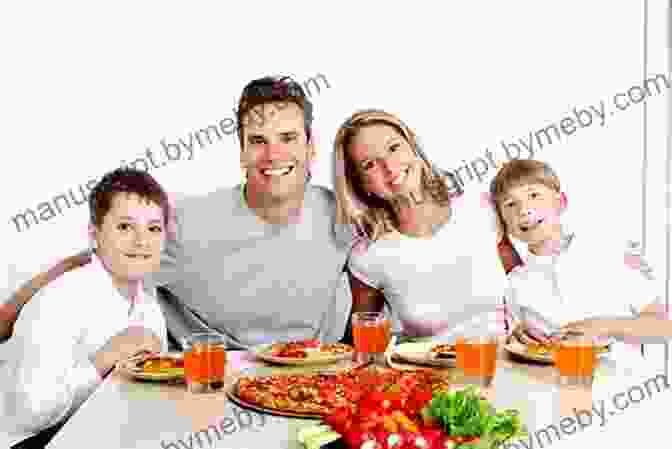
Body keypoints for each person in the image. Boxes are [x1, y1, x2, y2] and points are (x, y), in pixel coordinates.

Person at [3, 75, 357, 349]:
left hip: (313, 378)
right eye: (258, 141)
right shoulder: (189, 223)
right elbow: (97, 260)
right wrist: (8, 315)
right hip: (212, 379)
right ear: (241, 154)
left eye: (288, 138)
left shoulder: (341, 213)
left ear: (310, 148)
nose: (274, 154)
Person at [0, 167, 169, 448]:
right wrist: (105, 360)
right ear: (94, 234)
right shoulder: (60, 301)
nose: (142, 241)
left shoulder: (149, 309)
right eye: (125, 227)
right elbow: (27, 416)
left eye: (153, 228)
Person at [333, 109, 509, 338]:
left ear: (413, 147)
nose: (389, 166)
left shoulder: (482, 208)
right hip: (428, 373)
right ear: (360, 184)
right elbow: (358, 342)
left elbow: (527, 287)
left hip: (505, 366)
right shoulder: (368, 254)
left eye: (393, 148)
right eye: (369, 164)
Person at [488, 159, 663, 350]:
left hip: (621, 378)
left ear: (561, 202)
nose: (523, 210)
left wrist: (603, 327)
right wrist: (517, 336)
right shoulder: (515, 282)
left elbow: (662, 326)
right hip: (549, 379)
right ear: (504, 222)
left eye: (534, 195)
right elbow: (515, 346)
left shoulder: (609, 252)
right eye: (511, 204)